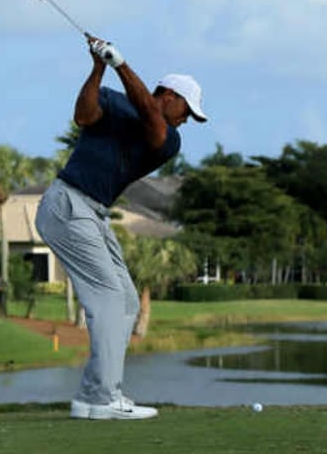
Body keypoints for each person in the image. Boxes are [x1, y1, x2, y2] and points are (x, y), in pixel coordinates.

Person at [34, 34, 207, 421]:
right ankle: (101, 396)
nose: (186, 121)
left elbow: (151, 119)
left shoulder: (168, 139)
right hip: (67, 203)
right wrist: (98, 67)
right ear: (169, 95)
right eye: (186, 111)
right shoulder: (115, 101)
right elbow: (84, 115)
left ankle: (94, 395)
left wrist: (121, 63)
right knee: (109, 298)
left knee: (126, 299)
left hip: (91, 211)